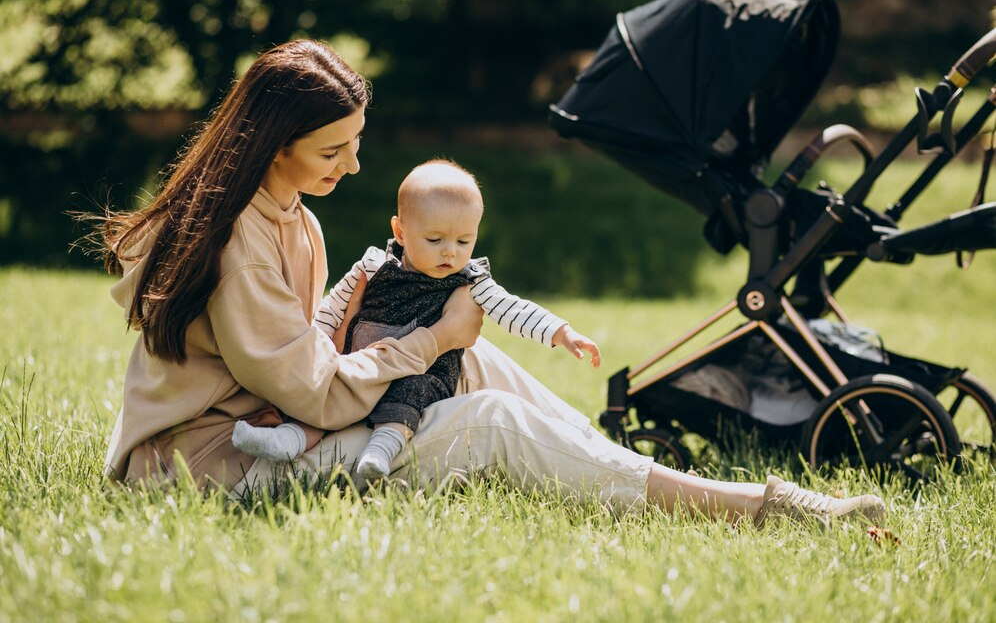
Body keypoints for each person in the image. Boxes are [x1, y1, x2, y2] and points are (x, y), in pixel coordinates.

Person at [97, 38, 886, 528]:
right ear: (276, 145)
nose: (355, 166)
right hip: (211, 471)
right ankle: (757, 508)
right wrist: (432, 338)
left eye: (356, 144)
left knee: (482, 366)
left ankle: (634, 476)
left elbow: (326, 344)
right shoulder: (242, 236)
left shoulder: (288, 214)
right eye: (334, 150)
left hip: (267, 428)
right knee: (493, 416)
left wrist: (440, 348)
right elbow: (309, 394)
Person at [231, 159, 601, 480]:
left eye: (463, 241)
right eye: (435, 239)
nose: (449, 252)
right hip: (361, 367)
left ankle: (383, 448)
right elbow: (332, 309)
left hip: (420, 372)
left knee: (408, 396)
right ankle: (286, 440)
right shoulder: (373, 265)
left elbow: (512, 309)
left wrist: (560, 332)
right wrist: (318, 345)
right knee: (325, 402)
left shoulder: (470, 282)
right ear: (401, 232)